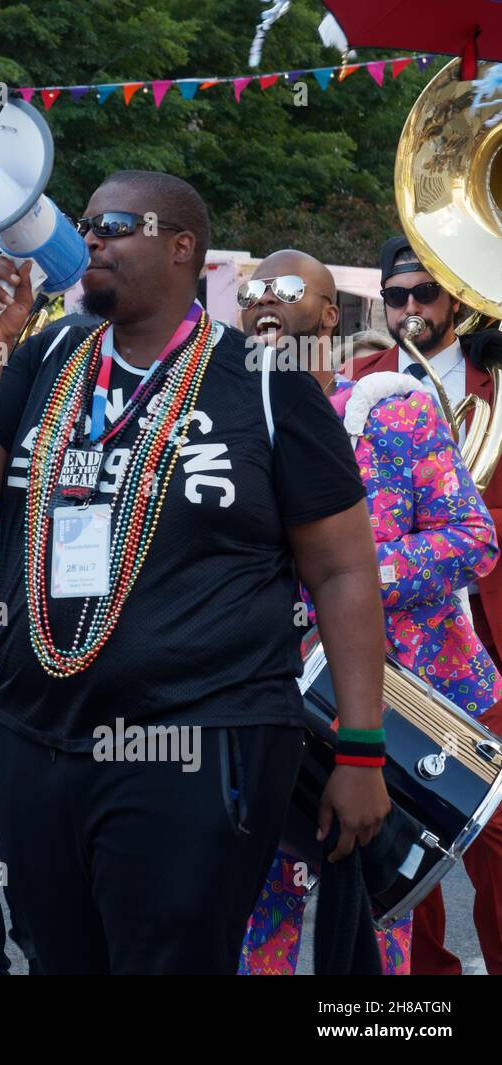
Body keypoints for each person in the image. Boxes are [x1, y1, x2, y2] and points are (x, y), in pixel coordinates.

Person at [0, 170, 391, 974]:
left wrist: (361, 751)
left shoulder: (268, 384)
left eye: (115, 223)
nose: (91, 237)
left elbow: (345, 570)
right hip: (37, 739)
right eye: (87, 223)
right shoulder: (45, 358)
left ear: (182, 249)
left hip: (198, 742)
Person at [238, 249, 500, 974]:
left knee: (376, 922)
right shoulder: (223, 426)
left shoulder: (390, 409)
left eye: (285, 289)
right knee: (260, 916)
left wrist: (352, 575)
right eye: (250, 291)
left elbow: (473, 541)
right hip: (272, 708)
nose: (263, 302)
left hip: (397, 710)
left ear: (328, 315)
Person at [353, 234, 502, 975]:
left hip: (490, 638)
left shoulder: (496, 380)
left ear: (455, 298)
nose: (409, 308)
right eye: (396, 295)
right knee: (411, 834)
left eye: (424, 294)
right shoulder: (355, 382)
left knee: (499, 834)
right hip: (402, 654)